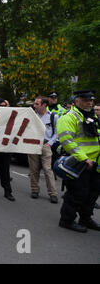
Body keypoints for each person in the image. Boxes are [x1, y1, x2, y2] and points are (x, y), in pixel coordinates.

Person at [57, 90, 100, 233]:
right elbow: (66, 140)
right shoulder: (69, 117)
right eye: (86, 100)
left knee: (92, 194)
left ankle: (85, 219)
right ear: (77, 101)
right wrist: (84, 158)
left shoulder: (92, 116)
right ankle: (67, 220)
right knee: (77, 193)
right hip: (81, 163)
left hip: (95, 164)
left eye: (91, 100)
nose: (90, 103)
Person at [28, 97, 59, 203]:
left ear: (44, 105)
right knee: (33, 169)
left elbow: (57, 132)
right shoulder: (32, 116)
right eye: (34, 104)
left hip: (46, 145)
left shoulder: (53, 117)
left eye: (37, 104)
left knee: (47, 169)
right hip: (33, 144)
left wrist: (49, 143)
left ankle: (53, 193)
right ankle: (34, 190)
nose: (34, 106)